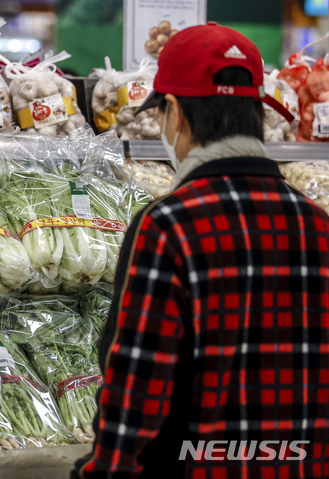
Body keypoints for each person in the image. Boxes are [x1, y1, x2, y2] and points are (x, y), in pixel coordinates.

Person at [73, 23, 329, 478]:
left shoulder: (167, 225)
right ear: (256, 110)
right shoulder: (319, 224)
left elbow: (135, 391)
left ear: (174, 112)